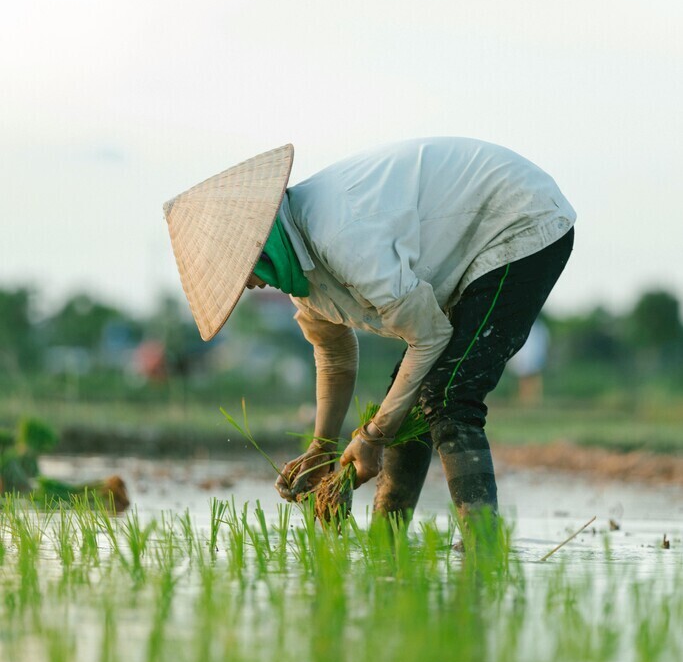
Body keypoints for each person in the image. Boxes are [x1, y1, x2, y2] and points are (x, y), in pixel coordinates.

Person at [163, 138, 575, 534]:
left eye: (243, 274)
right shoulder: (304, 264)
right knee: (412, 397)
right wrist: (321, 448)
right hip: (477, 239)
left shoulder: (341, 235)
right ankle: (386, 540)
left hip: (518, 217)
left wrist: (372, 437)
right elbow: (334, 356)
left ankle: (483, 549)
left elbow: (429, 338)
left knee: (448, 394)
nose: (249, 286)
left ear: (258, 248)